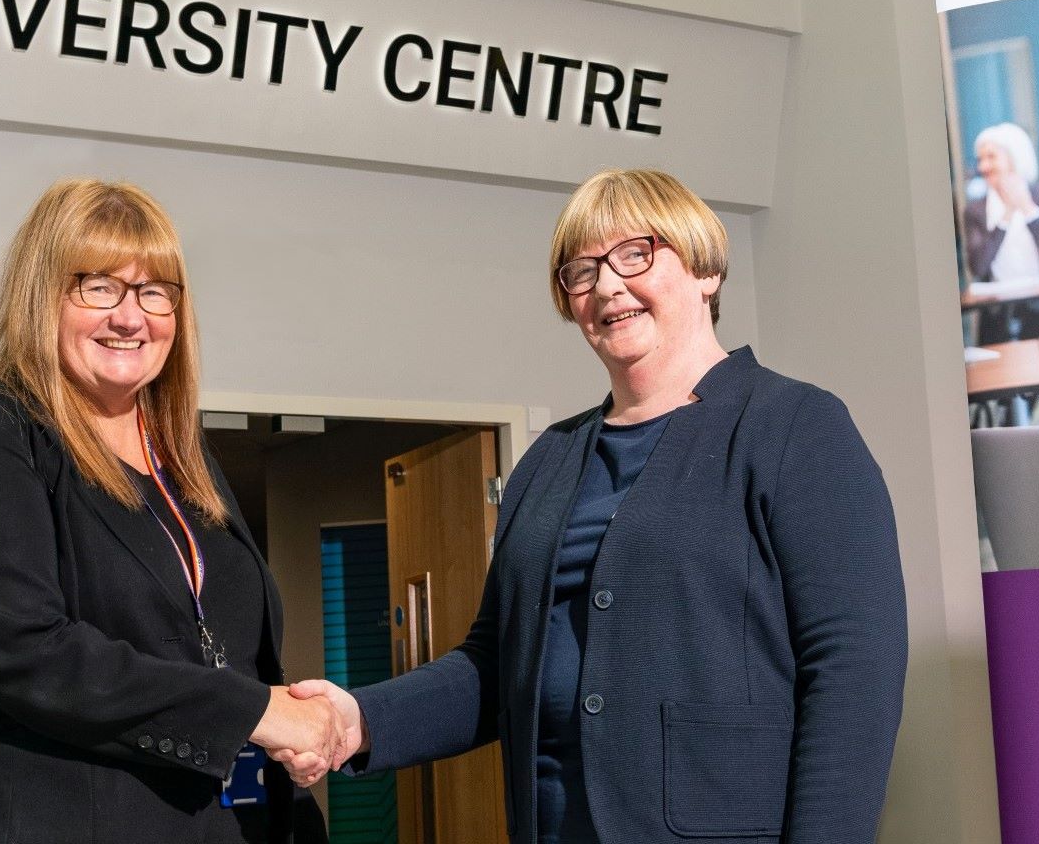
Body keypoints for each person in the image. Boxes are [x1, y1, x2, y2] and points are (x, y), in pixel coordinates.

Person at [283, 168, 908, 844]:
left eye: (635, 254)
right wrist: (357, 720)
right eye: (581, 272)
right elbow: (496, 667)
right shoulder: (549, 461)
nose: (607, 285)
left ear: (705, 269)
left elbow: (853, 669)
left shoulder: (794, 426)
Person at [0, 179, 344, 844]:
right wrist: (253, 713)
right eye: (99, 286)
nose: (130, 316)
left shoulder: (185, 459)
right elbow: (23, 651)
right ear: (41, 293)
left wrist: (283, 736)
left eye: (153, 291)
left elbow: (227, 658)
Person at [962, 123, 1039, 342]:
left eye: (992, 157)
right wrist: (1006, 216)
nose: (983, 167)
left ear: (1015, 158)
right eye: (980, 159)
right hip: (998, 313)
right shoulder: (975, 210)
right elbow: (978, 266)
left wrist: (1027, 209)